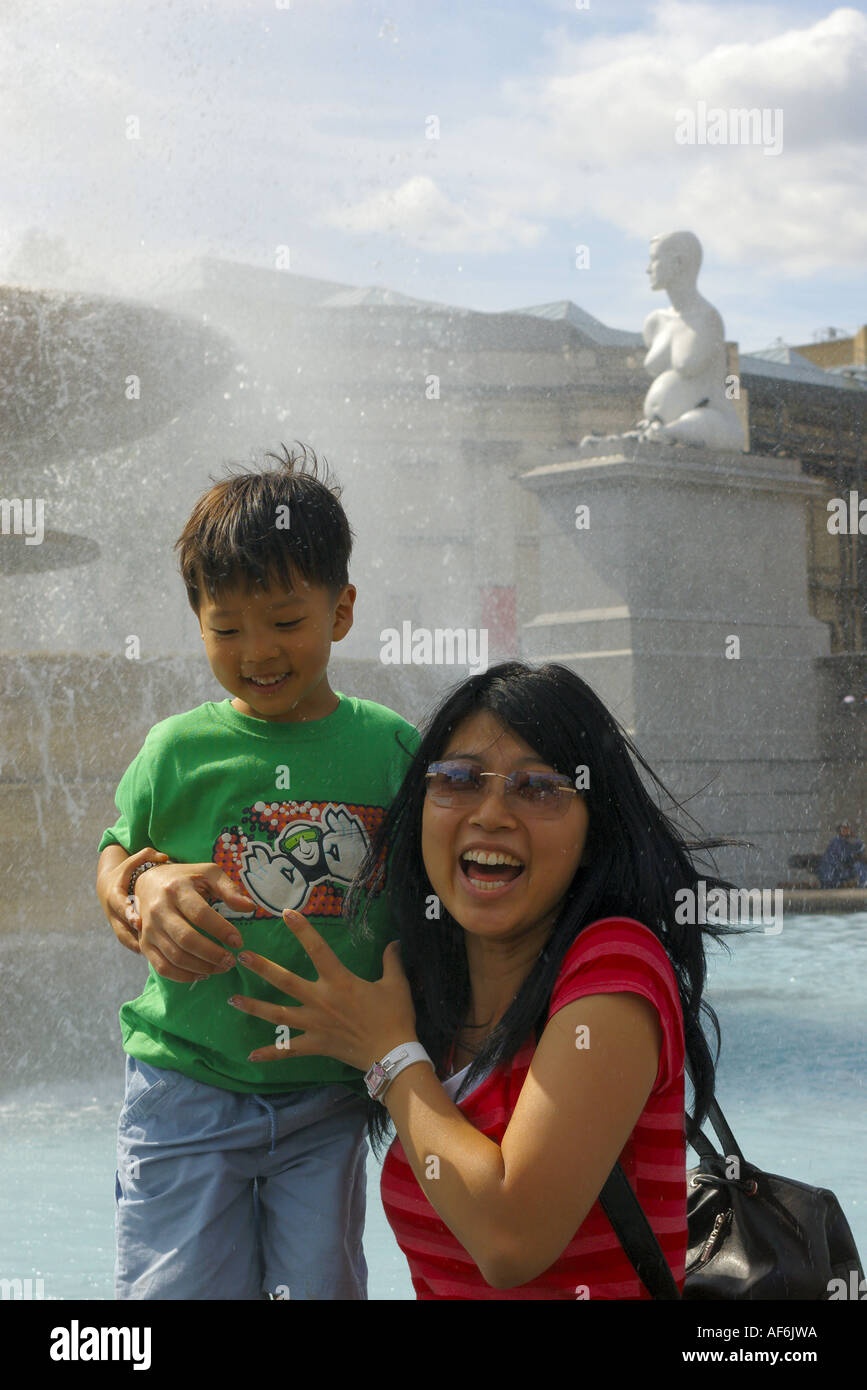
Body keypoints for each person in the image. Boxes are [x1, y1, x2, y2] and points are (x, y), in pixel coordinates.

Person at [229, 660, 737, 1299]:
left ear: (594, 826)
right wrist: (140, 881)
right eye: (460, 780)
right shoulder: (426, 1001)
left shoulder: (615, 968)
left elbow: (510, 1239)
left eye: (540, 788)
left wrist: (390, 1058)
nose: (491, 813)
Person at [95, 444, 418, 1300]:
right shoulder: (177, 750)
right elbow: (115, 854)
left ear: (341, 610)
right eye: (226, 628)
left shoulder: (387, 747)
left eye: (284, 620)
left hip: (325, 1095)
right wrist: (133, 895)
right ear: (198, 621)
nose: (257, 651)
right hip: (187, 1082)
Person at [816, 822, 867, 889]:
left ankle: (864, 883)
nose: (845, 830)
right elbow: (834, 856)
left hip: (846, 868)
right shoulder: (835, 842)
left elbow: (861, 852)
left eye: (847, 828)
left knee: (859, 866)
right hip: (835, 869)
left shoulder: (856, 841)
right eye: (843, 828)